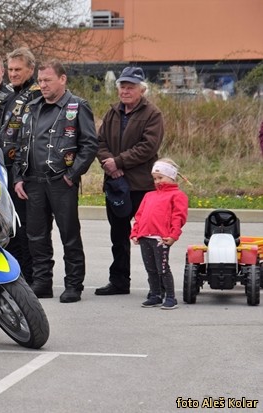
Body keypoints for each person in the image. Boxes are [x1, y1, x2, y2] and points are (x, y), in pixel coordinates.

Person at [12, 59, 98, 302]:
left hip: (62, 181)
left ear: (62, 79)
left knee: (69, 234)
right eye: (40, 81)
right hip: (33, 182)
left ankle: (73, 285)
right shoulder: (32, 106)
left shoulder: (78, 106)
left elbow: (90, 144)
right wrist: (19, 177)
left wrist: (72, 175)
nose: (43, 85)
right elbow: (21, 144)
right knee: (36, 235)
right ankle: (42, 283)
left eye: (47, 80)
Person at [95, 66, 164, 296]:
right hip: (116, 185)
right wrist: (110, 164)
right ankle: (119, 281)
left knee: (148, 237)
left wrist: (119, 162)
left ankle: (157, 284)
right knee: (118, 236)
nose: (125, 90)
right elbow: (100, 142)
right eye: (122, 86)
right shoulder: (112, 112)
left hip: (142, 186)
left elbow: (148, 147)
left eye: (130, 87)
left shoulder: (152, 114)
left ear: (141, 89)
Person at [0, 47, 41, 285]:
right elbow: (0, 123)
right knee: (9, 226)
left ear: (30, 69)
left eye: (18, 69)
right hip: (2, 168)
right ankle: (18, 275)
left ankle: (31, 276)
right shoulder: (12, 94)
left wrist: (19, 173)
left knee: (25, 227)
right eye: (11, 69)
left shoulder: (35, 94)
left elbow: (26, 134)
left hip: (23, 170)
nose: (13, 74)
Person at [131, 158, 188, 310]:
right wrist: (135, 232)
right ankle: (156, 295)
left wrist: (174, 235)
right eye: (155, 178)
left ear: (172, 176)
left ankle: (170, 297)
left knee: (162, 268)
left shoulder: (177, 196)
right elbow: (140, 215)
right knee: (150, 269)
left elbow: (179, 217)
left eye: (160, 178)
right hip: (145, 237)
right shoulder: (149, 196)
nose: (157, 181)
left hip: (161, 239)